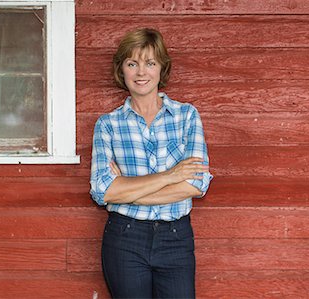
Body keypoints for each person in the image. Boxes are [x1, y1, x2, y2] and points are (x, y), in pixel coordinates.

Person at [90, 28, 212, 299]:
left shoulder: (186, 116)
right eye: (132, 63)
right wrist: (170, 176)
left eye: (150, 63)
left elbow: (196, 184)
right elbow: (102, 191)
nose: (141, 72)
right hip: (125, 239)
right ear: (122, 70)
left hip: (176, 237)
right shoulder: (108, 125)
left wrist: (124, 193)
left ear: (161, 69)